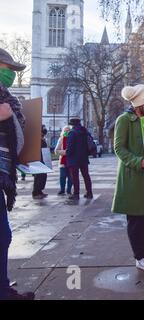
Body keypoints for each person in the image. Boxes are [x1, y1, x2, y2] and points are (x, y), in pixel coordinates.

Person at [112, 84, 144, 272]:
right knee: (137, 218)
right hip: (135, 176)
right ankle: (140, 255)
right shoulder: (124, 120)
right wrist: (138, 161)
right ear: (141, 103)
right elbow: (119, 148)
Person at [0, 48, 34, 299]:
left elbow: (18, 136)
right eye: (7, 69)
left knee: (4, 234)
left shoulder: (8, 100)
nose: (11, 74)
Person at [66, 117, 93, 200]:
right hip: (84, 158)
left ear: (72, 125)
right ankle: (89, 192)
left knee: (75, 177)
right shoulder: (85, 132)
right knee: (86, 176)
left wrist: (67, 153)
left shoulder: (72, 133)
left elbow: (70, 147)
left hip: (74, 158)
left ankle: (76, 194)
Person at [55, 126, 73, 195]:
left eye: (68, 130)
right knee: (62, 176)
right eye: (65, 130)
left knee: (70, 177)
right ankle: (62, 189)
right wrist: (65, 152)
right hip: (63, 161)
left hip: (71, 161)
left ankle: (69, 190)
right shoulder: (61, 139)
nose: (67, 132)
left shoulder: (73, 139)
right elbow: (56, 151)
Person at [32, 125, 48, 199]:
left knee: (43, 176)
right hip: (38, 160)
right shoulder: (36, 139)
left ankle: (40, 190)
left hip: (43, 159)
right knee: (38, 176)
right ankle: (35, 192)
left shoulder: (42, 139)